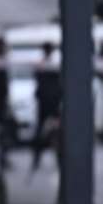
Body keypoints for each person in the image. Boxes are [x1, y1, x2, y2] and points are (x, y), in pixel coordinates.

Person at [33, 42, 62, 171]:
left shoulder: (52, 65)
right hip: (47, 104)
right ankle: (37, 158)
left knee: (55, 133)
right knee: (43, 133)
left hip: (50, 104)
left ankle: (54, 158)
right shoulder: (43, 65)